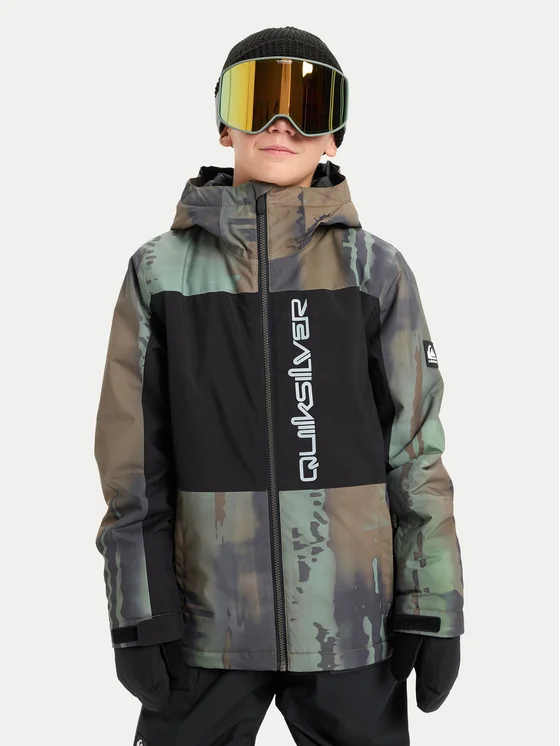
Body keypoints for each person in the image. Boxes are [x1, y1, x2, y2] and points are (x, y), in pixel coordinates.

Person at [93, 25, 465, 746]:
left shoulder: (374, 272)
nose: (281, 124)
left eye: (308, 106)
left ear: (335, 136)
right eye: (257, 100)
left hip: (350, 623)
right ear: (223, 125)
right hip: (205, 626)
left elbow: (416, 449)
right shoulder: (160, 273)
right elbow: (131, 461)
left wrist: (432, 599)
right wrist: (140, 609)